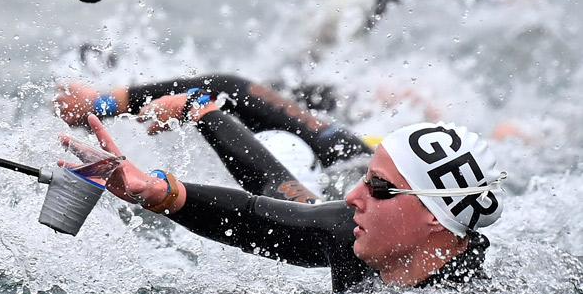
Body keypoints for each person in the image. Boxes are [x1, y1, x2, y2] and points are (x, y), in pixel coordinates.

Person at [63, 114, 506, 292]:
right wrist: (160, 192)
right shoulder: (348, 233)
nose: (353, 196)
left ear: (435, 216)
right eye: (363, 179)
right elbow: (256, 215)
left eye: (379, 187)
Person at [54, 74, 374, 202]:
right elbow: (233, 89)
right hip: (354, 140)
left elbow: (282, 194)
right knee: (297, 84)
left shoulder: (336, 224)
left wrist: (197, 109)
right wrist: (102, 104)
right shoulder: (346, 155)